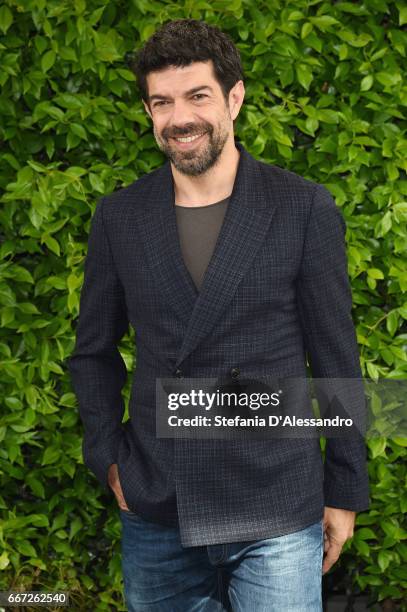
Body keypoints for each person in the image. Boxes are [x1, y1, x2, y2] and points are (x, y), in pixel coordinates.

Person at [68, 18, 370, 612]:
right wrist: (109, 461)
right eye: (162, 102)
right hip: (158, 504)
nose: (179, 117)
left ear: (234, 97)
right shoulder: (120, 217)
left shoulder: (303, 207)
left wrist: (343, 491)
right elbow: (92, 352)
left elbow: (337, 357)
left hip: (277, 505)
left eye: (197, 95)